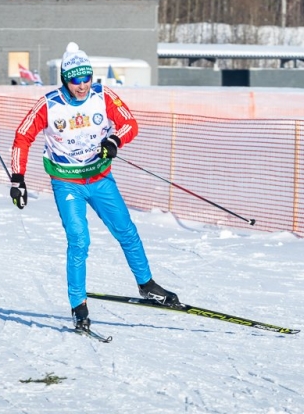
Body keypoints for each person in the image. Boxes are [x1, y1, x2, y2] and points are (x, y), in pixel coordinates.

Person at [9, 42, 179, 332]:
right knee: (79, 241)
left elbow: (129, 124)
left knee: (127, 231)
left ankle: (147, 285)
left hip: (100, 179)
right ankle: (79, 306)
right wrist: (17, 178)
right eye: (76, 79)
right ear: (65, 79)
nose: (83, 85)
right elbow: (23, 136)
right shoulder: (49, 104)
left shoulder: (103, 95)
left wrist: (114, 141)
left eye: (87, 78)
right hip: (67, 183)